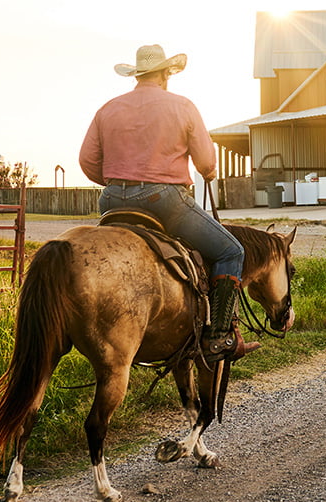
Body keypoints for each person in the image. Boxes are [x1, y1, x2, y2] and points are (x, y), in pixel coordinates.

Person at [79, 44, 258, 364]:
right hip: (163, 201)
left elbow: (88, 161)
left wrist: (118, 182)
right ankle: (217, 335)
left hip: (113, 201)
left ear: (137, 75)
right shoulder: (182, 106)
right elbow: (206, 163)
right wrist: (209, 171)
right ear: (165, 74)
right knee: (232, 251)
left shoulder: (108, 109)